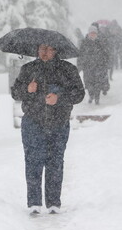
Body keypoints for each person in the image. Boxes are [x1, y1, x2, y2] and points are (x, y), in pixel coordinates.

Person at [10, 43, 85, 215]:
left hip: (58, 122)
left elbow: (79, 93)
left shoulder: (67, 69)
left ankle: (53, 203)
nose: (44, 52)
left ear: (56, 51)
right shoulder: (29, 69)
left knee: (55, 163)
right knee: (33, 161)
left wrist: (59, 98)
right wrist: (27, 89)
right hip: (33, 122)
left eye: (49, 49)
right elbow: (15, 92)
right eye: (41, 49)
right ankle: (34, 202)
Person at [79, 25, 110, 104]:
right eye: (91, 33)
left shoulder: (100, 42)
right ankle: (91, 95)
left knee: (97, 83)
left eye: (94, 33)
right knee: (89, 82)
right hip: (88, 67)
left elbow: (106, 53)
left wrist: (106, 63)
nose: (92, 35)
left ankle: (97, 98)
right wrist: (80, 65)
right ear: (88, 34)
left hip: (99, 66)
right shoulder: (84, 42)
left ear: (96, 34)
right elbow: (80, 55)